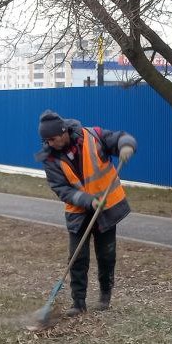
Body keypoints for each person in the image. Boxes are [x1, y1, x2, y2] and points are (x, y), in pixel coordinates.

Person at [34, 110, 136, 315]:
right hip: (79, 213)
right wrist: (88, 201)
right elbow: (61, 189)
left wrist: (126, 146)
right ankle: (78, 303)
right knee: (77, 258)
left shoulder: (94, 136)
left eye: (53, 138)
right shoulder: (50, 159)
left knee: (107, 255)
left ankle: (105, 298)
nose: (50, 143)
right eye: (46, 140)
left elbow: (120, 137)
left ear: (63, 132)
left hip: (106, 209)